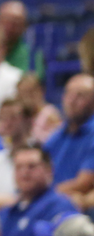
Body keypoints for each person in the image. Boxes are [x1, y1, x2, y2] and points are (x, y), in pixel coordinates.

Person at [0, 144, 77, 236]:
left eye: (31, 166)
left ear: (48, 170)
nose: (24, 172)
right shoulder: (8, 211)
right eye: (18, 167)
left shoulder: (60, 207)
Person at [48, 74, 94, 206]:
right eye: (68, 93)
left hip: (75, 204)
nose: (72, 100)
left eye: (80, 95)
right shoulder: (56, 135)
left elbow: (84, 183)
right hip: (52, 198)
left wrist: (44, 196)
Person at [0, 2, 45, 80]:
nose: (9, 27)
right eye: (6, 21)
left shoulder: (32, 55)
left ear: (24, 26)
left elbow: (32, 83)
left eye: (16, 23)